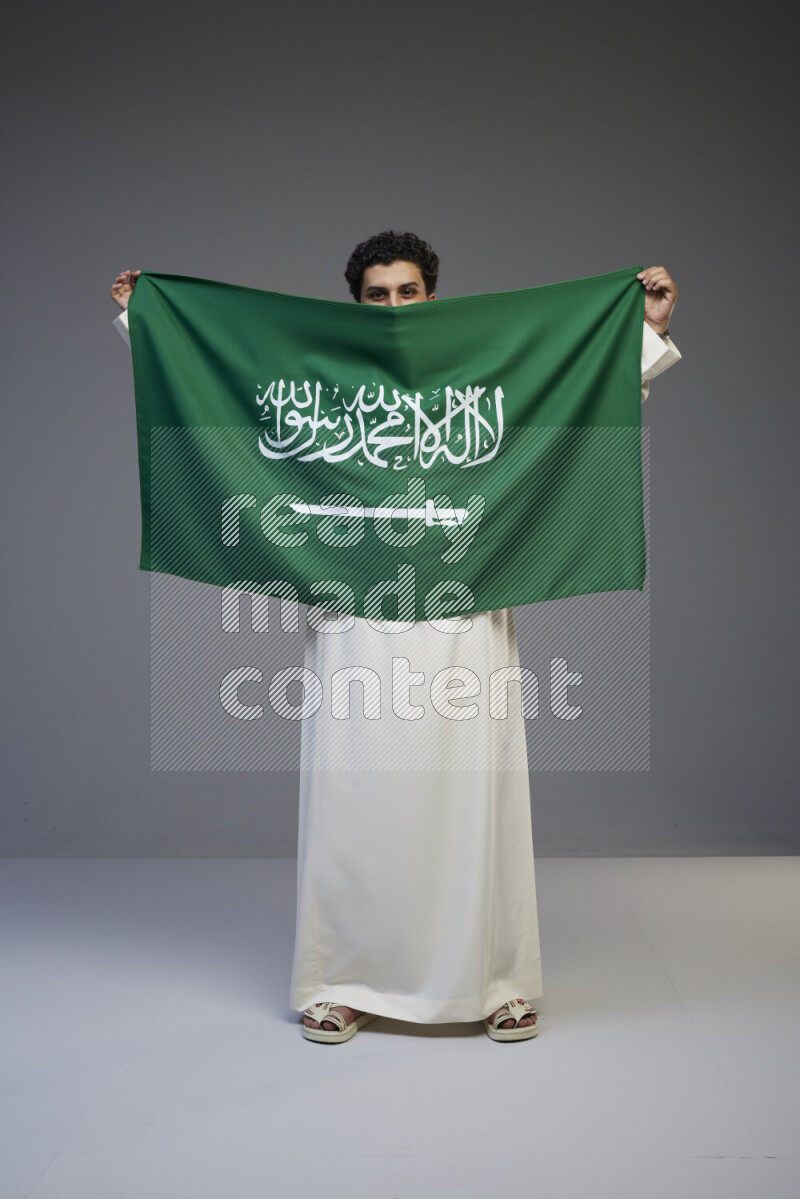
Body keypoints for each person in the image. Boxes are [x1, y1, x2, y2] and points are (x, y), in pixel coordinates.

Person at [110, 235, 681, 1043]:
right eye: (377, 295)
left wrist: (646, 331)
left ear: (432, 298)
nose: (394, 307)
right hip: (355, 617)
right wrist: (153, 320)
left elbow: (574, 404)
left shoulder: (480, 378)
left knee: (477, 799)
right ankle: (343, 982)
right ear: (357, 305)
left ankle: (498, 981)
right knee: (354, 804)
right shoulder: (323, 390)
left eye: (407, 291)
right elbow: (226, 390)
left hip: (467, 609)